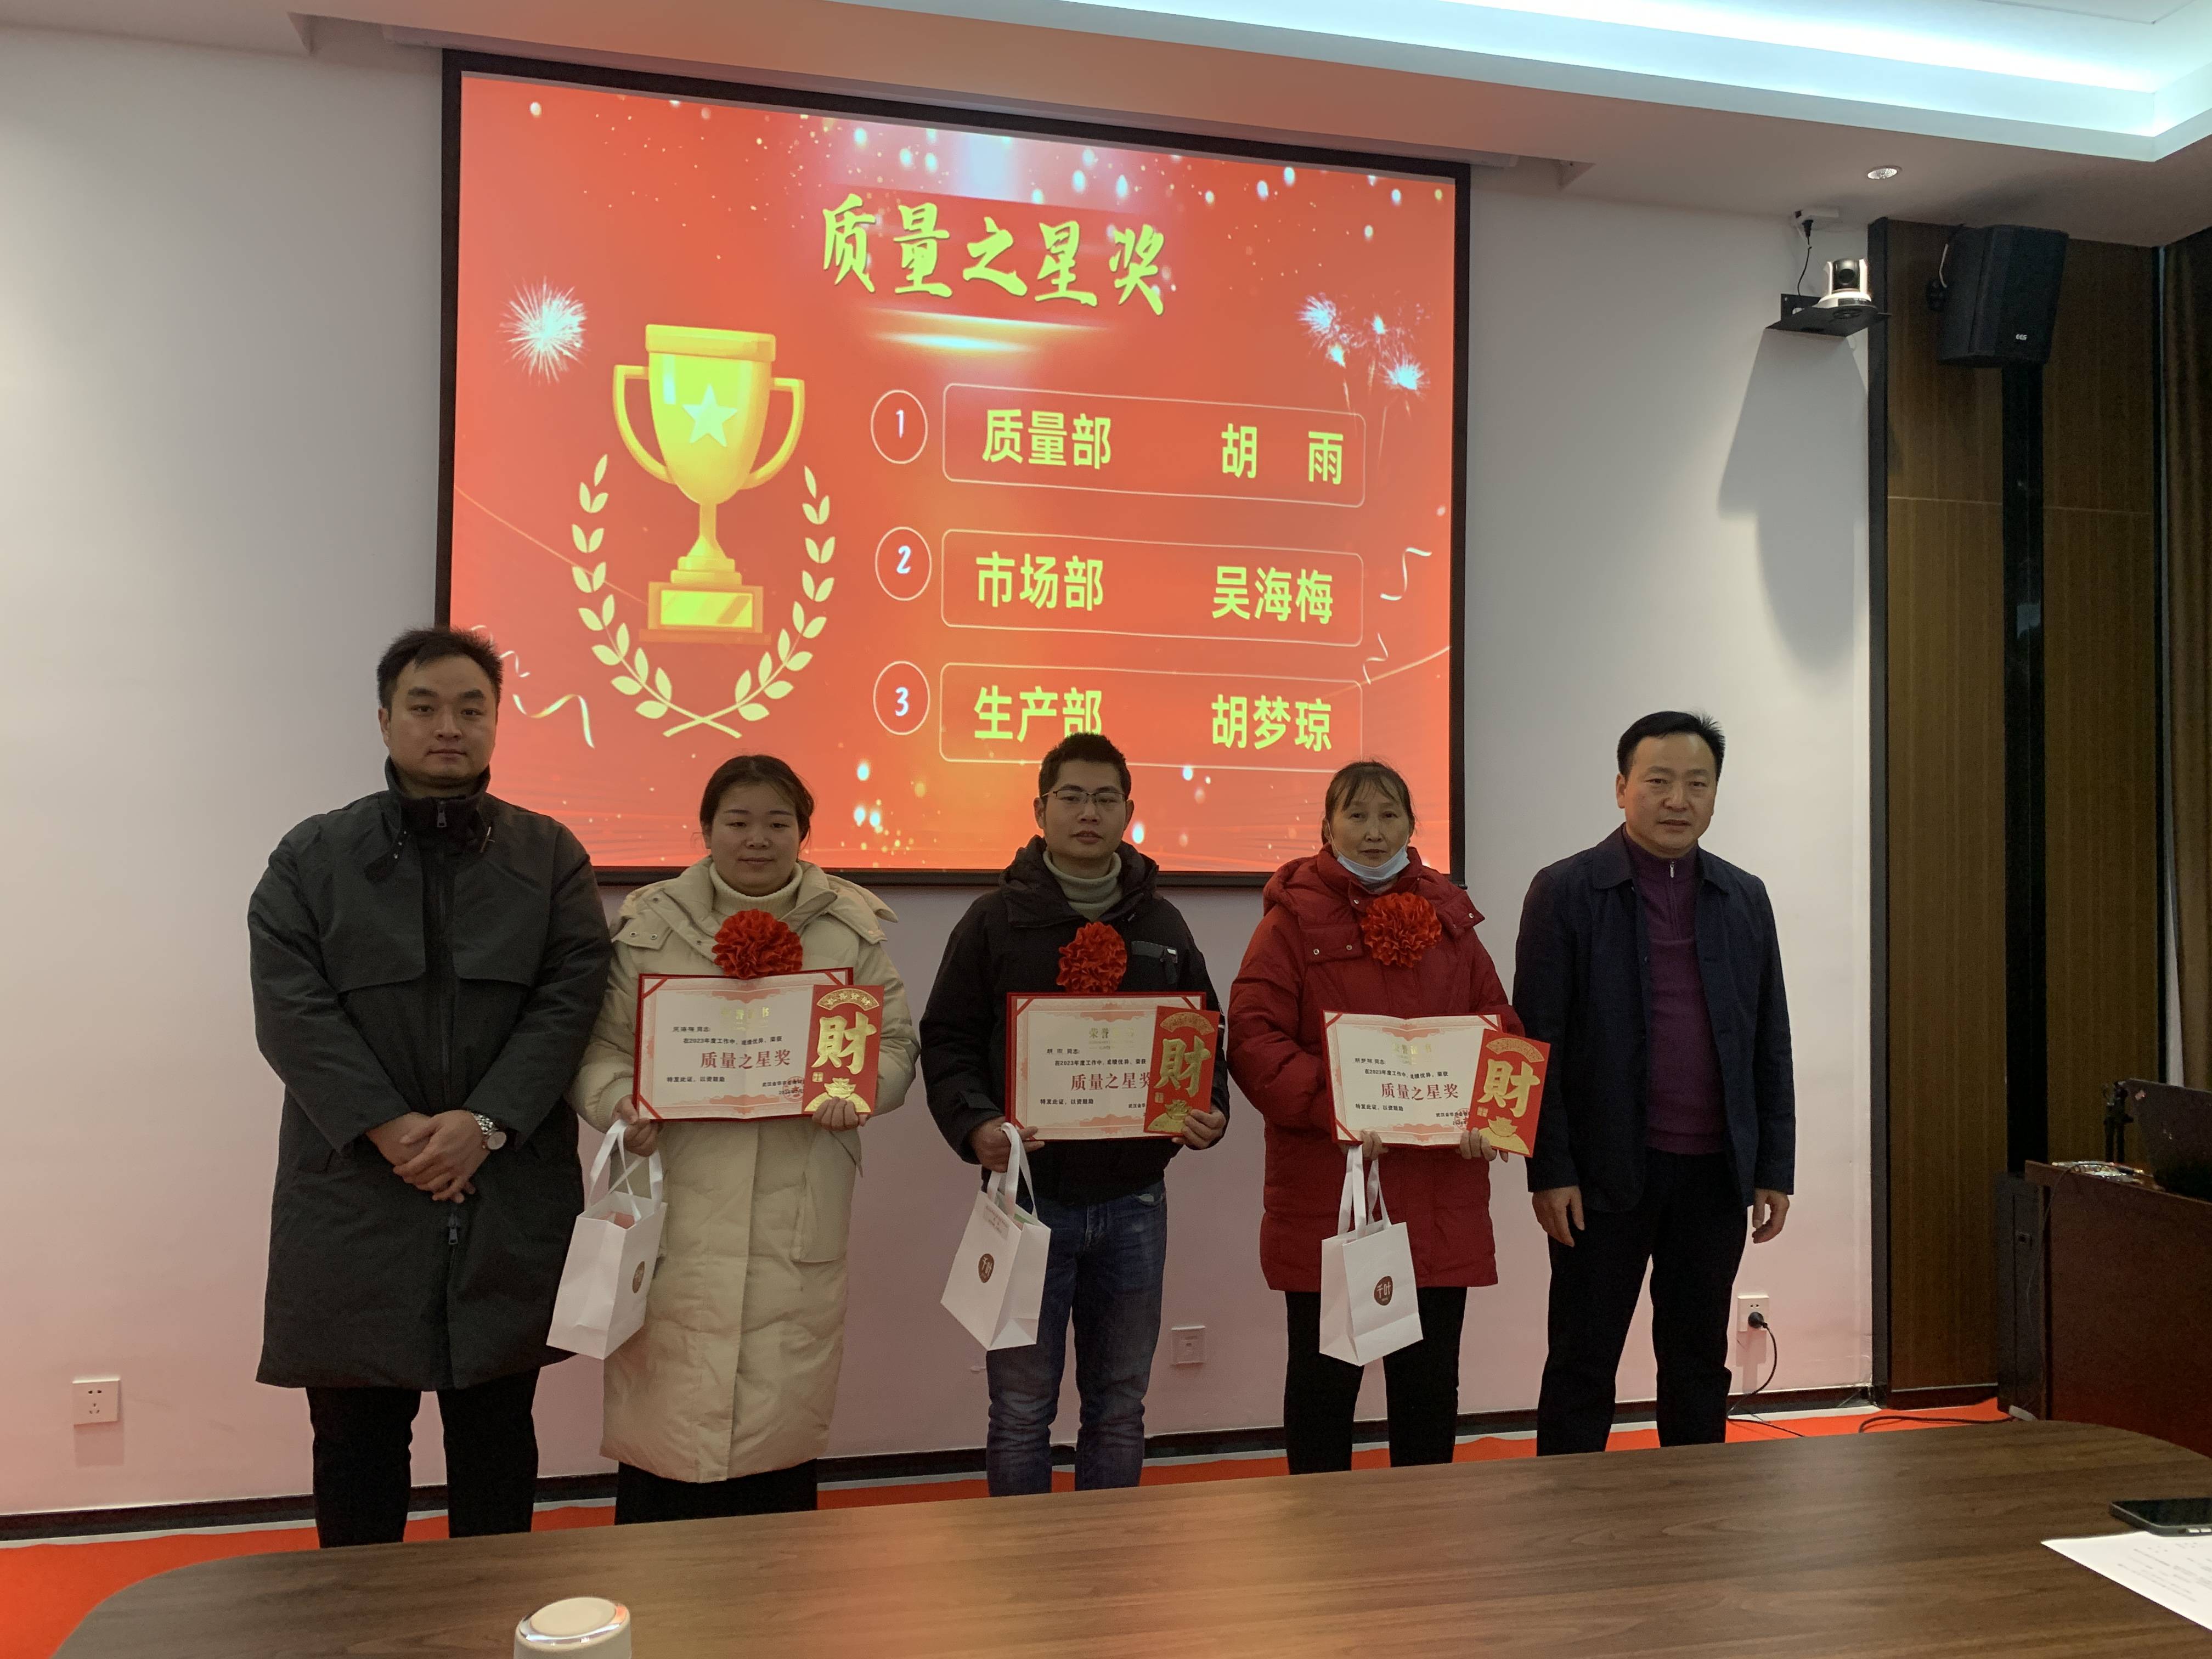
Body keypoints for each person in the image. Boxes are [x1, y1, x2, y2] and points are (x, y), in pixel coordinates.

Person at [249, 626, 610, 1548]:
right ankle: (360, 1618)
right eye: (424, 706)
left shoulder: (550, 857)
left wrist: (485, 1124)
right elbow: (293, 1012)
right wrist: (387, 1127)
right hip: (355, 1196)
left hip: (504, 1188)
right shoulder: (312, 857)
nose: (448, 726)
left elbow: (570, 1000)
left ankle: (491, 1617)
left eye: (470, 708)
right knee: (355, 1443)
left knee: (497, 1438)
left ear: (496, 722)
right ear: (385, 720)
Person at [569, 755, 918, 1523]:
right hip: (673, 1197)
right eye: (738, 821)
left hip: (795, 1202)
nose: (757, 838)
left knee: (777, 1424)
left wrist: (859, 1090)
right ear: (706, 829)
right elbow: (597, 1049)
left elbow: (895, 1045)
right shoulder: (650, 926)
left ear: (803, 833)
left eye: (777, 823)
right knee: (666, 1424)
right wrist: (620, 1100)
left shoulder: (848, 930)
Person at [921, 731, 1231, 1496]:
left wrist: (1211, 1110)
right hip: (1026, 1201)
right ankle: (1022, 1562)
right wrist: (975, 1125)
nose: (1088, 813)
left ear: (1128, 811)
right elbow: (948, 1039)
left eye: (1104, 798)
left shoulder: (1164, 925)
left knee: (1120, 1407)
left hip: (1135, 1203)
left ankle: (1107, 1553)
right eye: (1071, 797)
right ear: (1040, 810)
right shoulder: (993, 921)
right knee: (1021, 1408)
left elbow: (1203, 1036)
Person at [1228, 760, 1522, 1473]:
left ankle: (1420, 1532)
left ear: (1412, 827)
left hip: (1440, 1196)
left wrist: (1491, 1114)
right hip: (1331, 1194)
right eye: (1356, 815)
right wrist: (1339, 1106)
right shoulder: (1290, 922)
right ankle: (1318, 1531)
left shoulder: (1453, 920)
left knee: (1429, 1390)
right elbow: (1255, 1039)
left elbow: (1499, 1029)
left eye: (1389, 815)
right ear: (1327, 827)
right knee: (1325, 1388)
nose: (1373, 831)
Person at [1514, 710, 1796, 1455]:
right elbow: (1532, 1044)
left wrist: (1773, 1165)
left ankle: (1695, 1508)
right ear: (1621, 788)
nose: (1678, 800)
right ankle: (1569, 1509)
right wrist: (1549, 1169)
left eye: (1697, 784)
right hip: (1601, 1173)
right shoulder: (1566, 891)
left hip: (1714, 1174)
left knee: (1698, 1360)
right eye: (1659, 781)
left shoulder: (1744, 897)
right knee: (1583, 1360)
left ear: (1715, 794)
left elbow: (1769, 1040)